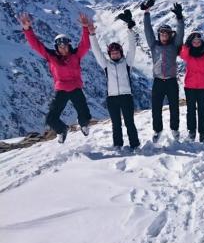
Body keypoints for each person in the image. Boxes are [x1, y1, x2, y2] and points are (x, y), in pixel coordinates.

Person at [18, 12, 92, 144]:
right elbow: (36, 45)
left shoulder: (76, 54)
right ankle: (61, 129)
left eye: (65, 45)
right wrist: (27, 29)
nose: (63, 48)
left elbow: (85, 45)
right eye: (60, 46)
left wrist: (85, 28)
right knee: (51, 118)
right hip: (61, 90)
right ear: (56, 46)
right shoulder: (51, 56)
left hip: (75, 87)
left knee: (84, 112)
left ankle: (84, 124)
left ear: (69, 45)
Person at [89, 9, 140, 150]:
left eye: (117, 53)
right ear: (109, 54)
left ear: (120, 53)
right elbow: (96, 51)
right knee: (116, 123)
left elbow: (133, 48)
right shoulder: (106, 65)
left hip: (126, 97)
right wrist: (92, 34)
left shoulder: (127, 63)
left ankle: (134, 145)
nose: (115, 55)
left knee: (130, 122)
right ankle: (117, 145)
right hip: (112, 98)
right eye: (112, 53)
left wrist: (130, 30)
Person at [141, 0, 185, 143]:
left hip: (171, 81)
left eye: (166, 33)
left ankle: (174, 129)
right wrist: (146, 13)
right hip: (158, 81)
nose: (164, 35)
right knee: (156, 109)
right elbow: (147, 30)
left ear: (170, 35)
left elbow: (181, 33)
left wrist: (179, 18)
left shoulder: (175, 45)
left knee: (174, 108)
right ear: (159, 34)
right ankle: (157, 130)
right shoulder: (154, 45)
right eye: (162, 33)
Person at [179, 32, 204, 143]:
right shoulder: (188, 52)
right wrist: (185, 45)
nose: (196, 43)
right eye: (194, 42)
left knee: (202, 111)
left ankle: (202, 133)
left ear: (201, 42)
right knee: (190, 110)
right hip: (190, 86)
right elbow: (182, 56)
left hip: (203, 86)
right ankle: (192, 131)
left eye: (198, 42)